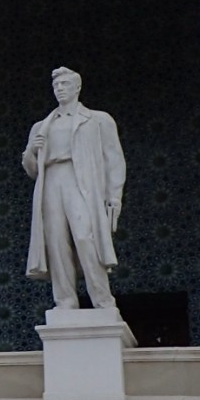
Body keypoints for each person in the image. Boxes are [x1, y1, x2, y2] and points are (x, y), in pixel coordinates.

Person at [23, 67, 126, 311]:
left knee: (84, 236)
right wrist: (33, 151)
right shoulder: (42, 126)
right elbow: (30, 168)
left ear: (77, 87)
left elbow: (114, 159)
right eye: (56, 86)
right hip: (52, 180)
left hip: (81, 180)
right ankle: (65, 301)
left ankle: (103, 301)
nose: (59, 90)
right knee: (56, 240)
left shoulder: (98, 120)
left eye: (65, 85)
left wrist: (114, 195)